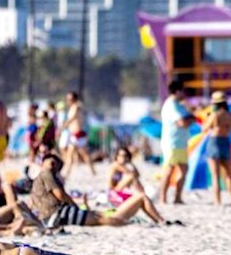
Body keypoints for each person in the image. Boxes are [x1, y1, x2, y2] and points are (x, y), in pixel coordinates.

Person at [31, 154, 165, 227]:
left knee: (104, 217)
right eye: (51, 162)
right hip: (60, 214)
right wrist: (74, 205)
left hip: (58, 214)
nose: (53, 165)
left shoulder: (41, 177)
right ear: (43, 163)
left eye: (55, 163)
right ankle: (158, 221)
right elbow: (60, 195)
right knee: (108, 220)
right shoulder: (46, 174)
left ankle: (159, 221)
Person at [107, 147, 165, 224]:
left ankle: (158, 219)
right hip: (113, 193)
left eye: (125, 156)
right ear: (116, 156)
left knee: (137, 186)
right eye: (121, 156)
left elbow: (137, 174)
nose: (123, 158)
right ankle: (159, 218)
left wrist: (130, 162)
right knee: (131, 178)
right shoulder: (116, 165)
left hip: (118, 192)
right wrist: (130, 164)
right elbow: (133, 174)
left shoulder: (123, 166)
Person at [159, 80, 194, 204]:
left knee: (184, 170)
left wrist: (190, 117)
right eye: (182, 90)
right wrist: (190, 119)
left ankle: (177, 197)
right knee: (169, 170)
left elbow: (190, 118)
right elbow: (182, 122)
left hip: (181, 142)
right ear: (177, 91)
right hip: (171, 142)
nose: (184, 93)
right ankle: (162, 197)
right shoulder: (171, 105)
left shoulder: (180, 105)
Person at [202, 91, 231, 206]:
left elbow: (205, 128)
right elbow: (230, 128)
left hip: (214, 142)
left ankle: (218, 201)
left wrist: (206, 119)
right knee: (228, 174)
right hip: (226, 141)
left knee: (215, 175)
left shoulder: (215, 115)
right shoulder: (229, 114)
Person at [60, 92, 95, 177]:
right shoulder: (73, 107)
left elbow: (72, 118)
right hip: (74, 134)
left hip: (78, 134)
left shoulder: (76, 106)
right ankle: (66, 172)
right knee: (72, 154)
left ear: (74, 99)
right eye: (67, 99)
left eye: (70, 99)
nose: (68, 101)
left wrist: (64, 125)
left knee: (83, 154)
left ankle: (92, 171)